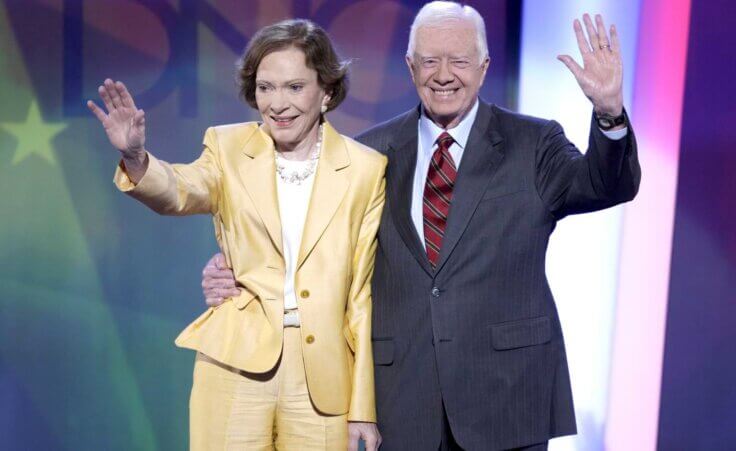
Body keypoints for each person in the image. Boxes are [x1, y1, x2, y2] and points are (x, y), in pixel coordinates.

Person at [201, 2, 640, 450]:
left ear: (484, 67)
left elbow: (606, 185)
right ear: (411, 67)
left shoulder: (534, 142)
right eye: (430, 60)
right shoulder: (367, 155)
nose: (443, 74)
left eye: (459, 60)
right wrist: (241, 273)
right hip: (403, 402)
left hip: (506, 397)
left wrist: (609, 115)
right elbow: (316, 250)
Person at [88, 19, 386, 451]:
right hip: (235, 364)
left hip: (323, 378)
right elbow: (179, 190)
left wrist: (363, 406)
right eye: (265, 88)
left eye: (294, 87)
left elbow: (360, 297)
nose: (277, 104)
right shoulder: (227, 148)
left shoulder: (365, 169)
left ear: (326, 91)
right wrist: (135, 157)